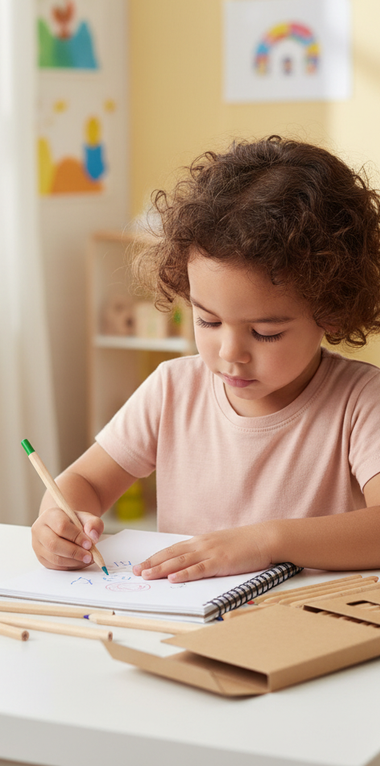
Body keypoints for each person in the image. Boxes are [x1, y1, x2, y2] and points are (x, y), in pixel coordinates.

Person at [31, 135, 380, 582]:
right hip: (182, 628)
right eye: (208, 322)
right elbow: (88, 484)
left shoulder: (360, 402)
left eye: (265, 333)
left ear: (331, 309)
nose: (230, 353)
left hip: (300, 631)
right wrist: (57, 522)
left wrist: (264, 542)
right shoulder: (173, 388)